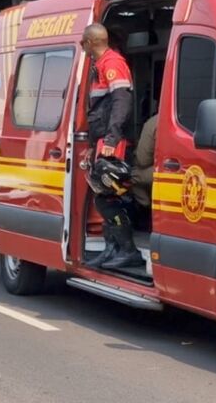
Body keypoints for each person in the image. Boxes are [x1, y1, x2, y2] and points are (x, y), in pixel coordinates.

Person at [81, 23, 143, 270]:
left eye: (84, 42)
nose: (82, 46)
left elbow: (121, 103)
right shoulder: (101, 66)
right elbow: (98, 111)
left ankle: (127, 250)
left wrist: (110, 140)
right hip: (102, 141)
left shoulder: (112, 64)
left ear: (92, 42)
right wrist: (90, 144)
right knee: (102, 195)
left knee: (108, 197)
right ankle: (112, 250)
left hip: (112, 142)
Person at [131, 114, 158, 229]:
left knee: (131, 176)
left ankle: (145, 210)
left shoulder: (154, 122)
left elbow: (143, 159)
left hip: (167, 170)